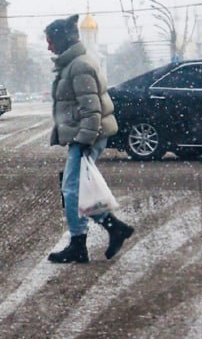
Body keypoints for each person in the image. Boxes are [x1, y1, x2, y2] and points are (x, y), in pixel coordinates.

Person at [45, 15, 134, 264]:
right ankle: (112, 228)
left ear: (63, 40)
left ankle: (78, 244)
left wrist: (85, 139)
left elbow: (91, 107)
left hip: (88, 135)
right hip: (84, 135)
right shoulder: (74, 63)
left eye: (51, 41)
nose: (49, 46)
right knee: (80, 188)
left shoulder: (80, 65)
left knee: (72, 190)